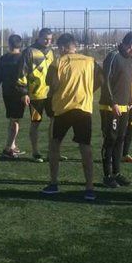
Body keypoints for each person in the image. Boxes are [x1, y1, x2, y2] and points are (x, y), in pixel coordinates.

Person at [41, 33, 102, 201]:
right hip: (84, 109)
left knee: (54, 145)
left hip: (63, 109)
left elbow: (51, 83)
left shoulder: (58, 62)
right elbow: (101, 79)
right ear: (74, 46)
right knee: (85, 147)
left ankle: (54, 183)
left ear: (62, 47)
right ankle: (89, 188)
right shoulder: (90, 61)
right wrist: (87, 91)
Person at [99, 31, 132, 188]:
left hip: (125, 107)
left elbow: (127, 83)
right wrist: (113, 103)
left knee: (120, 139)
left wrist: (130, 100)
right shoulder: (113, 56)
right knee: (110, 140)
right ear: (131, 45)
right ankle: (107, 176)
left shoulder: (130, 60)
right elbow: (105, 81)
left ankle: (117, 173)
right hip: (110, 107)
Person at [19, 28, 57, 163]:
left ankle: (52, 151)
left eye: (50, 39)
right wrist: (24, 92)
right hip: (35, 95)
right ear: (39, 37)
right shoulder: (29, 52)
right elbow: (22, 73)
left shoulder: (51, 52)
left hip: (51, 94)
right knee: (36, 123)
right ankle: (35, 152)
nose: (48, 42)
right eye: (45, 39)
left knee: (54, 121)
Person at [0, 34, 30, 159]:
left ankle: (12, 146)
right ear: (21, 44)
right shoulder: (22, 58)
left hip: (7, 93)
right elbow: (24, 77)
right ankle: (8, 148)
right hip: (18, 93)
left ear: (9, 44)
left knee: (13, 119)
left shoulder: (3, 59)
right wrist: (25, 93)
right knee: (15, 120)